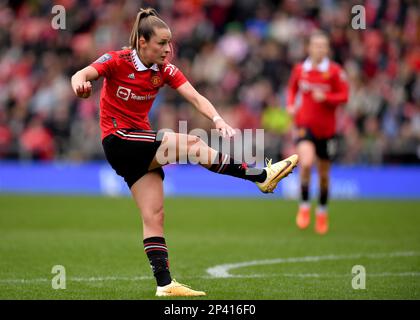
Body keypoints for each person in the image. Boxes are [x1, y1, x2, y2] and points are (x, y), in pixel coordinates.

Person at [71, 8, 298, 297]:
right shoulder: (117, 60)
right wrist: (80, 83)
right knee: (193, 146)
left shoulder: (164, 70)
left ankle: (164, 285)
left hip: (138, 146)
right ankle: (260, 175)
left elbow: (194, 96)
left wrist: (217, 119)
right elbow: (83, 72)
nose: (168, 49)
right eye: (162, 43)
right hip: (119, 139)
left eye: (170, 43)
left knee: (154, 215)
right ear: (142, 42)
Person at [286, 31, 349, 235]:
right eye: (316, 45)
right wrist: (290, 105)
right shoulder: (300, 69)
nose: (319, 49)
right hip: (304, 124)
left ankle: (321, 211)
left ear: (327, 49)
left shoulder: (335, 71)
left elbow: (344, 96)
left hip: (327, 130)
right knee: (305, 163)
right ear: (309, 48)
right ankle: (304, 207)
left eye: (323, 46)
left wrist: (327, 97)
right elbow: (292, 89)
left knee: (323, 175)